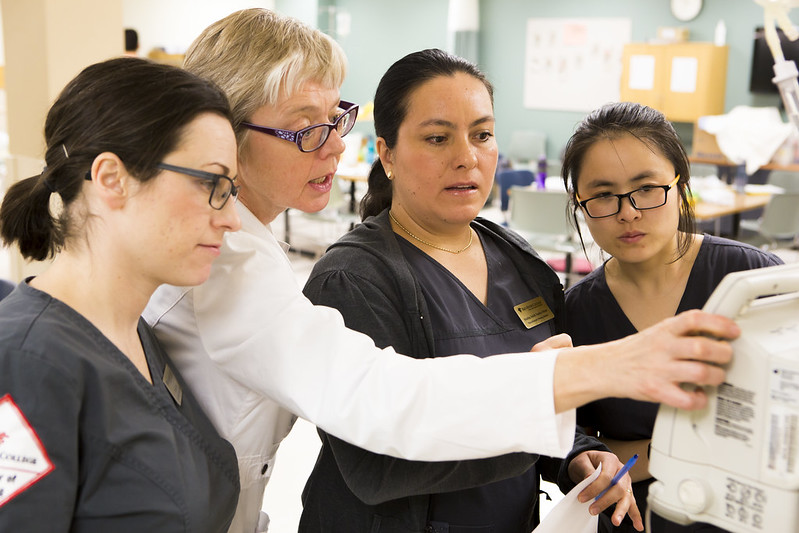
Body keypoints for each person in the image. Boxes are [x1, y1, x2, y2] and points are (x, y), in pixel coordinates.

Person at [143, 9, 739, 532]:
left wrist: (573, 445)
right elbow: (381, 404)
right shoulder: (248, 267)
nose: (330, 147)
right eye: (304, 127)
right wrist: (592, 369)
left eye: (335, 118)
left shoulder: (517, 260)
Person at [298, 48, 641, 533]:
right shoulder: (353, 280)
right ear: (387, 153)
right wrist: (540, 420)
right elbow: (375, 468)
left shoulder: (521, 264)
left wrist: (578, 455)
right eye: (438, 138)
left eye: (482, 135)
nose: (467, 157)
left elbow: (552, 410)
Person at [0, 57, 241, 531]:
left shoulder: (136, 336)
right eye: (211, 184)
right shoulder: (27, 362)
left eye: (231, 189)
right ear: (111, 178)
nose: (231, 218)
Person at [560, 101, 783, 532]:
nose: (628, 211)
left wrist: (640, 453)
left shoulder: (753, 278)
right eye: (603, 195)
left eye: (646, 187)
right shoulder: (577, 312)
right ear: (581, 205)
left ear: (680, 186)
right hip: (637, 517)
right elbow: (582, 443)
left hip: (747, 512)